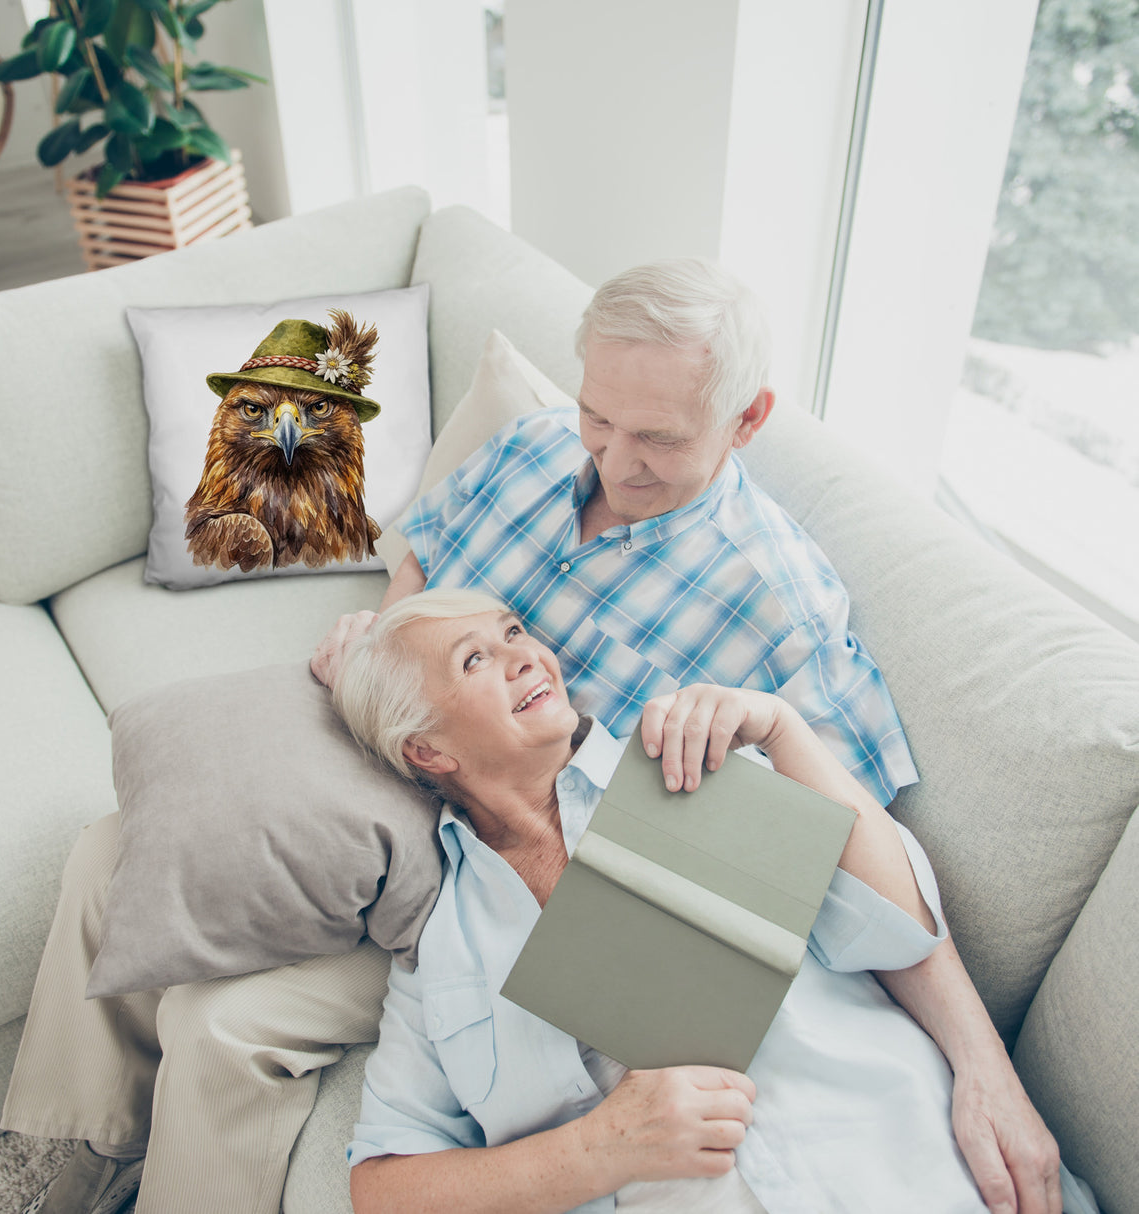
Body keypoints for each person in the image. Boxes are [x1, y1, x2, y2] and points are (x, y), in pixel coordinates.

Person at [314, 259, 1061, 1213]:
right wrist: (382, 660)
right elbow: (425, 558)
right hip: (418, 836)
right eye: (598, 417)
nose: (614, 461)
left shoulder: (753, 666)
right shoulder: (531, 449)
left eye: (658, 438)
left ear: (747, 420)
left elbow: (867, 884)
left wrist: (985, 1068)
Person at [332, 589, 1086, 1214]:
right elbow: (383, 1189)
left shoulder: (688, 763)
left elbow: (899, 929)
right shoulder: (441, 949)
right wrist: (599, 1149)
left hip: (906, 1166)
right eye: (474, 660)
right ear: (427, 750)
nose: (526, 656)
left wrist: (783, 730)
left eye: (514, 632)